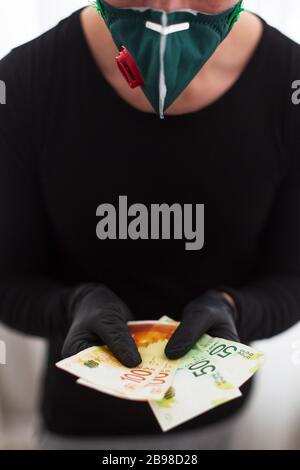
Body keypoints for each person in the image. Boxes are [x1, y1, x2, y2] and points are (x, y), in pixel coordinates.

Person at [0, 0, 300, 450]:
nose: (167, 8)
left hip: (219, 417)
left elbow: (293, 275)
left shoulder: (288, 85)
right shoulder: (25, 80)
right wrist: (70, 306)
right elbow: (8, 279)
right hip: (80, 425)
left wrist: (235, 308)